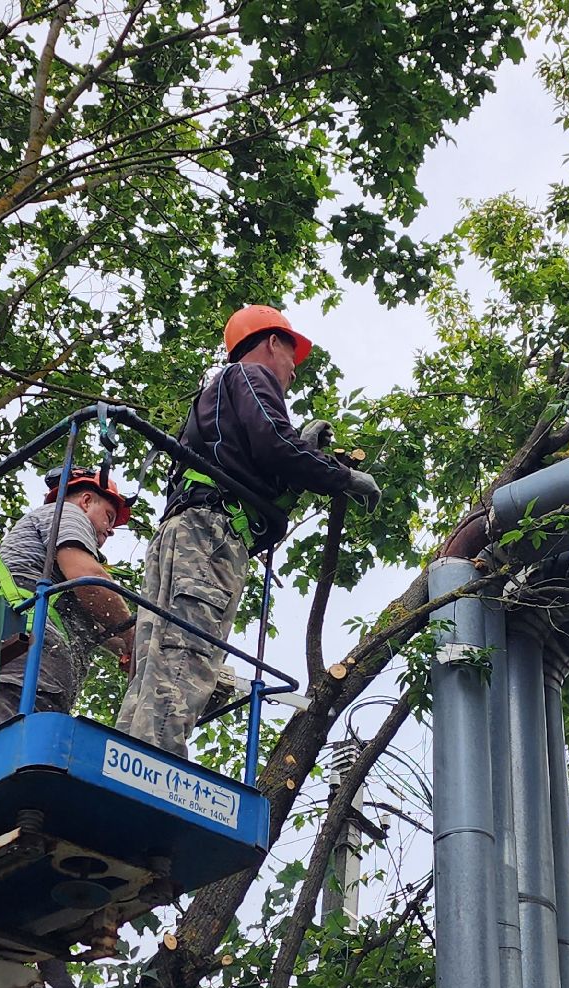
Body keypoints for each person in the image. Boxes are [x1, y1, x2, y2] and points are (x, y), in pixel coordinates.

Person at [115, 304, 380, 757]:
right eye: (292, 353)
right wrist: (342, 478)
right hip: (211, 536)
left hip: (184, 530)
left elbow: (258, 459)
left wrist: (301, 455)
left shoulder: (216, 397)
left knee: (154, 661)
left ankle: (124, 758)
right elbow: (275, 445)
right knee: (186, 657)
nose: (294, 368)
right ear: (273, 342)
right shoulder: (252, 377)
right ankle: (153, 772)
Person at [0, 464, 137, 733]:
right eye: (109, 517)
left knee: (2, 755)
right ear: (86, 501)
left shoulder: (49, 556)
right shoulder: (67, 514)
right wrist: (134, 634)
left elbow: (95, 625)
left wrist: (128, 649)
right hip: (31, 654)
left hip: (11, 654)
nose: (110, 530)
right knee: (22, 753)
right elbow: (88, 579)